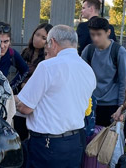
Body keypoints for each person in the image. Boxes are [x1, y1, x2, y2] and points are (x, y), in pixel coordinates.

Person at [15, 25, 96, 168]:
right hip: (76, 142)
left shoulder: (47, 67)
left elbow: (26, 107)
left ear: (52, 42)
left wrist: (11, 98)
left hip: (48, 145)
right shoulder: (88, 70)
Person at [81, 17, 126, 127]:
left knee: (108, 142)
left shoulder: (118, 51)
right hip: (91, 103)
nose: (95, 38)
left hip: (111, 105)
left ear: (108, 32)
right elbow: (80, 76)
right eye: (92, 34)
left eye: (99, 34)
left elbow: (124, 81)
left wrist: (121, 107)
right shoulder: (89, 50)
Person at [15, 23, 53, 140]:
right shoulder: (26, 52)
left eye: (43, 38)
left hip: (33, 99)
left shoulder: (47, 58)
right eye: (37, 35)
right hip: (20, 94)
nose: (38, 39)